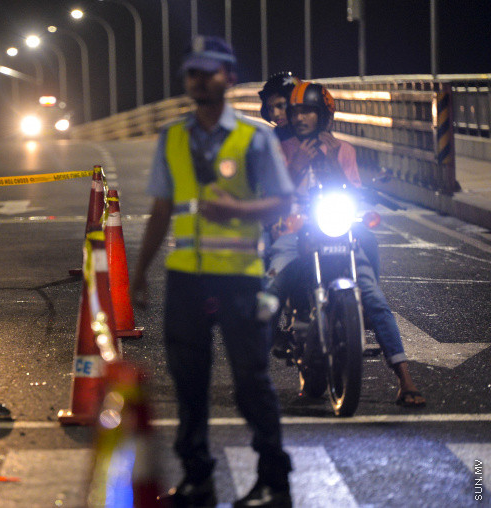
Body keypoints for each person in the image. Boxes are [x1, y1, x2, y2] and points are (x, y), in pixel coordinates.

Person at [130, 35, 295, 508]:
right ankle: (197, 478)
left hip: (240, 276)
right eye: (192, 72)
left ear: (229, 77)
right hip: (185, 277)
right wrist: (139, 273)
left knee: (251, 382)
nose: (199, 80)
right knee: (189, 384)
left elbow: (283, 202)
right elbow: (162, 209)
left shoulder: (254, 137)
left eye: (209, 71)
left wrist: (237, 210)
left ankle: (274, 482)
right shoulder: (173, 137)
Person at [267, 81, 426, 408]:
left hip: (334, 227)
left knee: (373, 294)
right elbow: (276, 195)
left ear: (324, 115)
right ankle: (257, 364)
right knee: (271, 289)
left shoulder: (344, 150)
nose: (300, 118)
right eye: (296, 112)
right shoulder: (281, 149)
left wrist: (332, 162)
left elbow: (351, 192)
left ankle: (405, 378)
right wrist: (297, 165)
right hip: (295, 230)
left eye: (308, 111)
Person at [258, 72, 302, 142]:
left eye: (281, 106)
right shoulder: (274, 137)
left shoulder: (317, 136)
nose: (276, 114)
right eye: (270, 108)